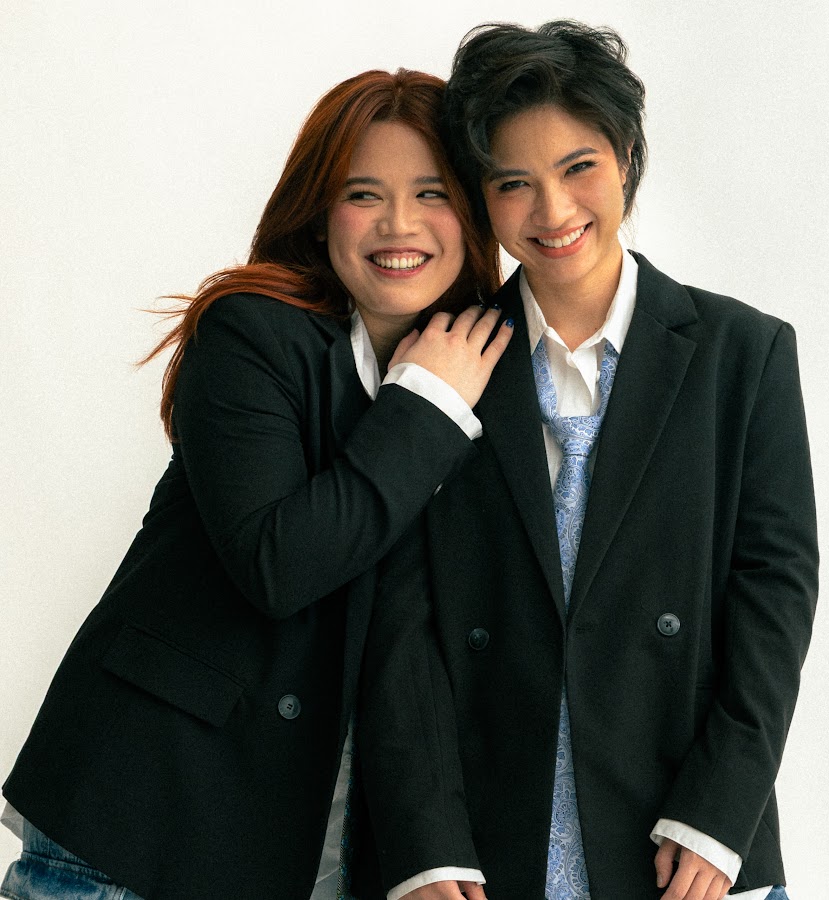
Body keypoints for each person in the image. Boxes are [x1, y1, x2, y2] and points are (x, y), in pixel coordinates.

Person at [0, 69, 512, 900]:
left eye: (433, 193)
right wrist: (426, 405)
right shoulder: (249, 334)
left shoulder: (493, 369)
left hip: (314, 848)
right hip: (144, 819)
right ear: (319, 210)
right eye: (363, 194)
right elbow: (280, 564)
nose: (400, 224)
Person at [359, 21, 817, 900]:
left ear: (627, 157)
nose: (554, 212)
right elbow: (399, 625)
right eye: (513, 184)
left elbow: (776, 595)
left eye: (579, 168)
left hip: (687, 841)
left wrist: (721, 813)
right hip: (483, 850)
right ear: (482, 197)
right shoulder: (439, 361)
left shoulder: (742, 353)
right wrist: (424, 844)